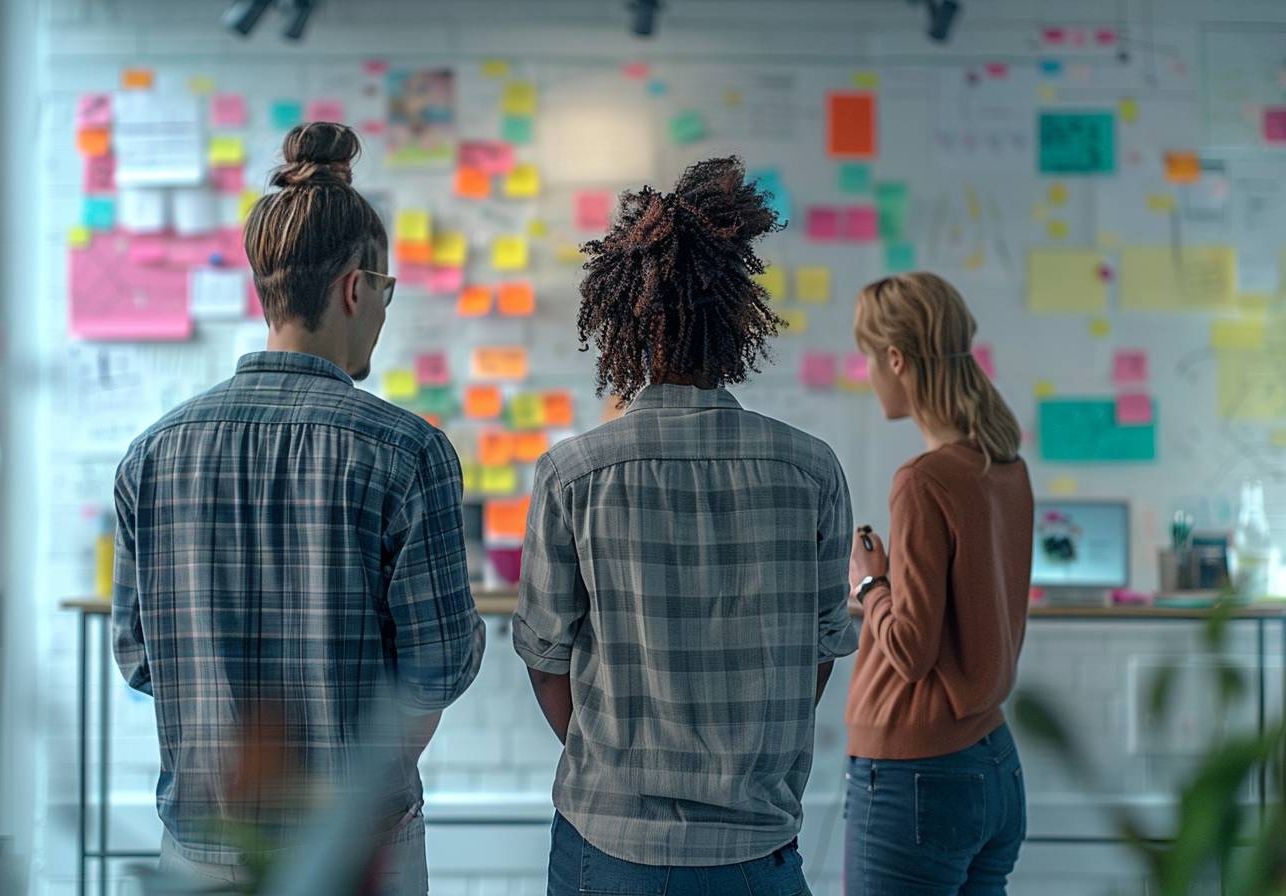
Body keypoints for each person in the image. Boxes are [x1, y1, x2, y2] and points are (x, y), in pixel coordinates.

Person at [111, 122, 485, 894]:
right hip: (356, 850)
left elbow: (141, 658)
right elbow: (439, 666)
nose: (382, 309)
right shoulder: (410, 454)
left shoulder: (151, 456)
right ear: (356, 287)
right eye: (384, 290)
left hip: (201, 846)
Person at [513, 156, 858, 896]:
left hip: (607, 845)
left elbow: (544, 657)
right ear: (737, 317)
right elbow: (822, 651)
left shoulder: (573, 473)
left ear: (623, 321)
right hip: (758, 851)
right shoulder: (811, 470)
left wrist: (615, 764)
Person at [842, 272, 1034, 895]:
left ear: (895, 359)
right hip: (994, 764)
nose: (868, 373)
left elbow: (911, 648)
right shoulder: (1002, 465)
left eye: (869, 357)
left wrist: (871, 584)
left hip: (916, 775)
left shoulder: (923, 479)